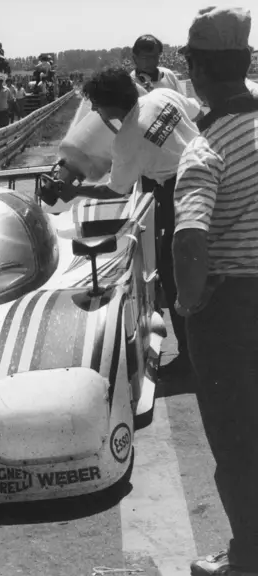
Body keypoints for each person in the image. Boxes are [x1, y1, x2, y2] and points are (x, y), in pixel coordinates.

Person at [171, 7, 258, 576]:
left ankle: (248, 559)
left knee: (238, 442)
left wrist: (189, 300)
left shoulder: (206, 146)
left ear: (198, 69)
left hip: (233, 311)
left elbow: (190, 237)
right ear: (247, 61)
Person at [52, 67, 199, 375]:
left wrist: (75, 190)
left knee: (175, 273)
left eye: (95, 103)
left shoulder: (128, 138)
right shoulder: (163, 96)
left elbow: (113, 188)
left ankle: (191, 357)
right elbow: (196, 112)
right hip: (206, 173)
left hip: (179, 193)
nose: (93, 110)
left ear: (109, 106)